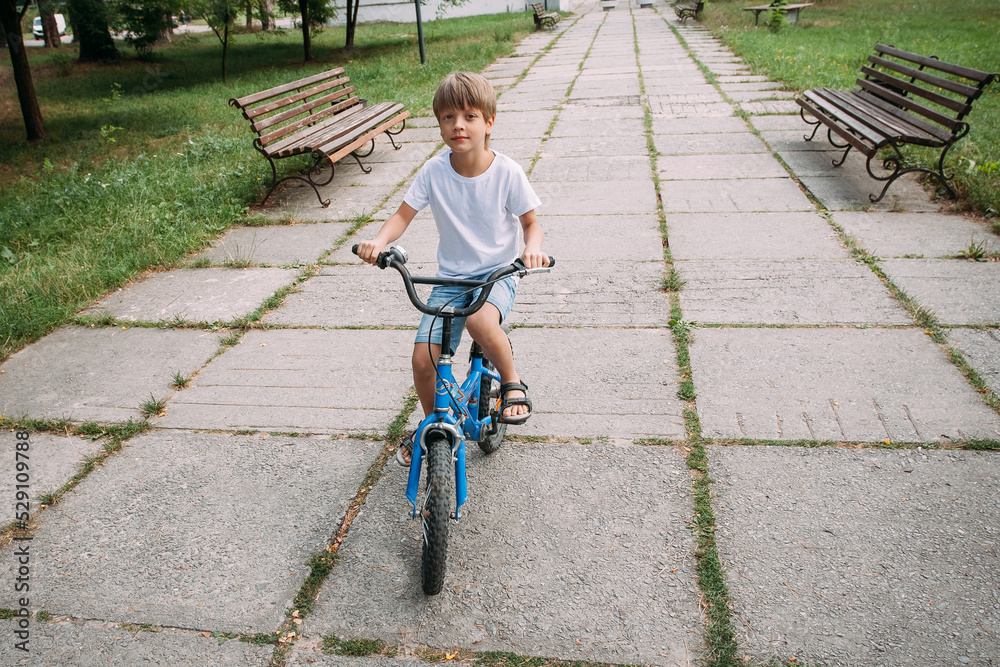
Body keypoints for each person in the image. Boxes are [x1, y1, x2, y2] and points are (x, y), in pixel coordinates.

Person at [355, 71, 549, 466]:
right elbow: (402, 214)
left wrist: (532, 251)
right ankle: (432, 426)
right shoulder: (434, 171)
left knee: (480, 321)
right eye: (447, 117)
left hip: (497, 275)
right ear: (439, 123)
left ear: (489, 122)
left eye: (469, 116)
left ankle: (511, 381)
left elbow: (532, 223)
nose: (457, 125)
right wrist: (379, 242)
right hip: (450, 281)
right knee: (423, 360)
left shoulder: (507, 172)